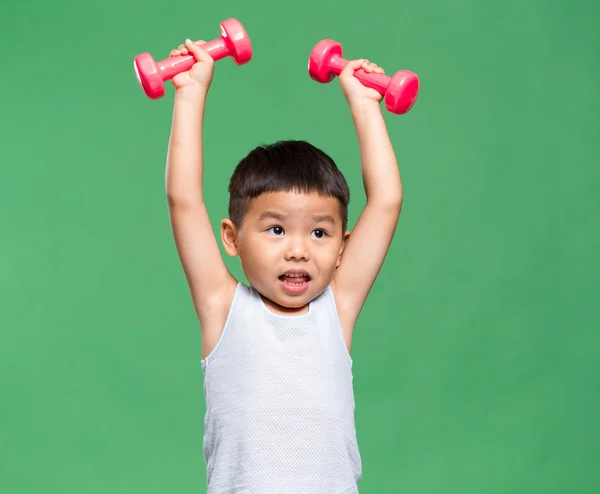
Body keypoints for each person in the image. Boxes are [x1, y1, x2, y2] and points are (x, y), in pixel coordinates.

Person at [165, 38, 403, 493]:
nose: (298, 250)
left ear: (341, 249)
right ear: (232, 239)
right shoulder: (222, 307)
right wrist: (190, 95)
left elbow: (387, 201)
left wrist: (365, 103)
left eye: (319, 233)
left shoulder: (338, 307)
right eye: (276, 230)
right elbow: (184, 201)